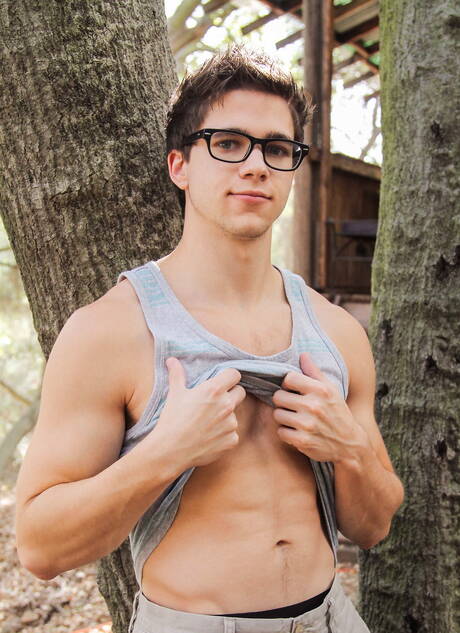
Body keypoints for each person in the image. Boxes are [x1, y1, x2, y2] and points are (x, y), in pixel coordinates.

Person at [15, 44, 404, 633]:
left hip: (332, 619)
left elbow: (374, 526)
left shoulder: (336, 331)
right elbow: (40, 547)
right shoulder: (110, 331)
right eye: (228, 143)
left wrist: (348, 446)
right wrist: (166, 453)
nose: (256, 166)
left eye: (277, 149)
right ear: (180, 166)